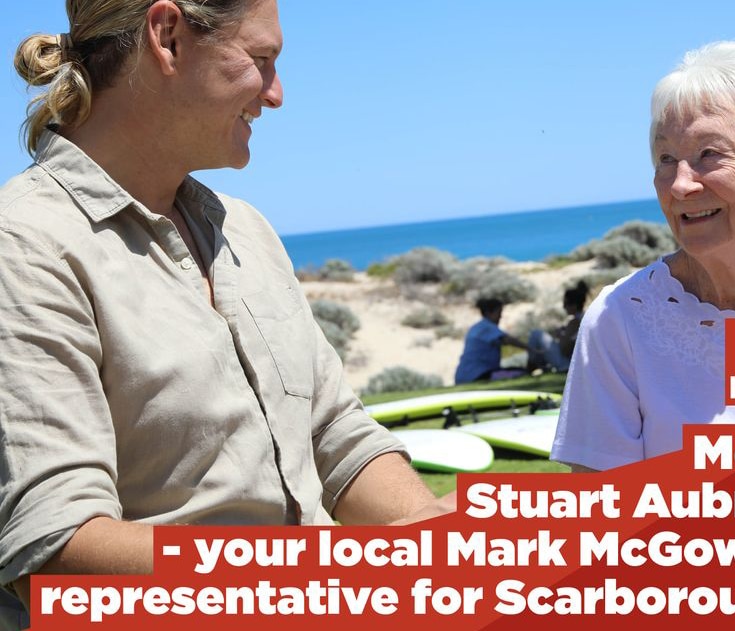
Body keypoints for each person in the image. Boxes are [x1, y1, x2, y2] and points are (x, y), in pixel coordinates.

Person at [0, 1, 452, 625]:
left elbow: (332, 432)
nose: (276, 95)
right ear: (168, 38)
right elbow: (58, 557)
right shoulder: (23, 244)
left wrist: (430, 533)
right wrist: (338, 571)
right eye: (261, 61)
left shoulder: (244, 228)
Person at [552, 41, 735, 473]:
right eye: (666, 158)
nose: (680, 185)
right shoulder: (623, 319)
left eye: (709, 154)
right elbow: (602, 515)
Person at [454, 298, 531, 384]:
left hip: (463, 376)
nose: (500, 317)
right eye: (499, 313)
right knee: (521, 374)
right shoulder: (487, 327)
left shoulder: (476, 328)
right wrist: (530, 348)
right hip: (478, 375)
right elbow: (507, 339)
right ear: (489, 313)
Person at [527, 280, 589, 373]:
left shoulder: (575, 322)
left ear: (574, 306)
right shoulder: (584, 318)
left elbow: (564, 349)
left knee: (536, 334)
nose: (564, 307)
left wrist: (560, 335)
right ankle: (540, 366)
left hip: (565, 363)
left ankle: (530, 367)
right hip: (575, 362)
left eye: (566, 303)